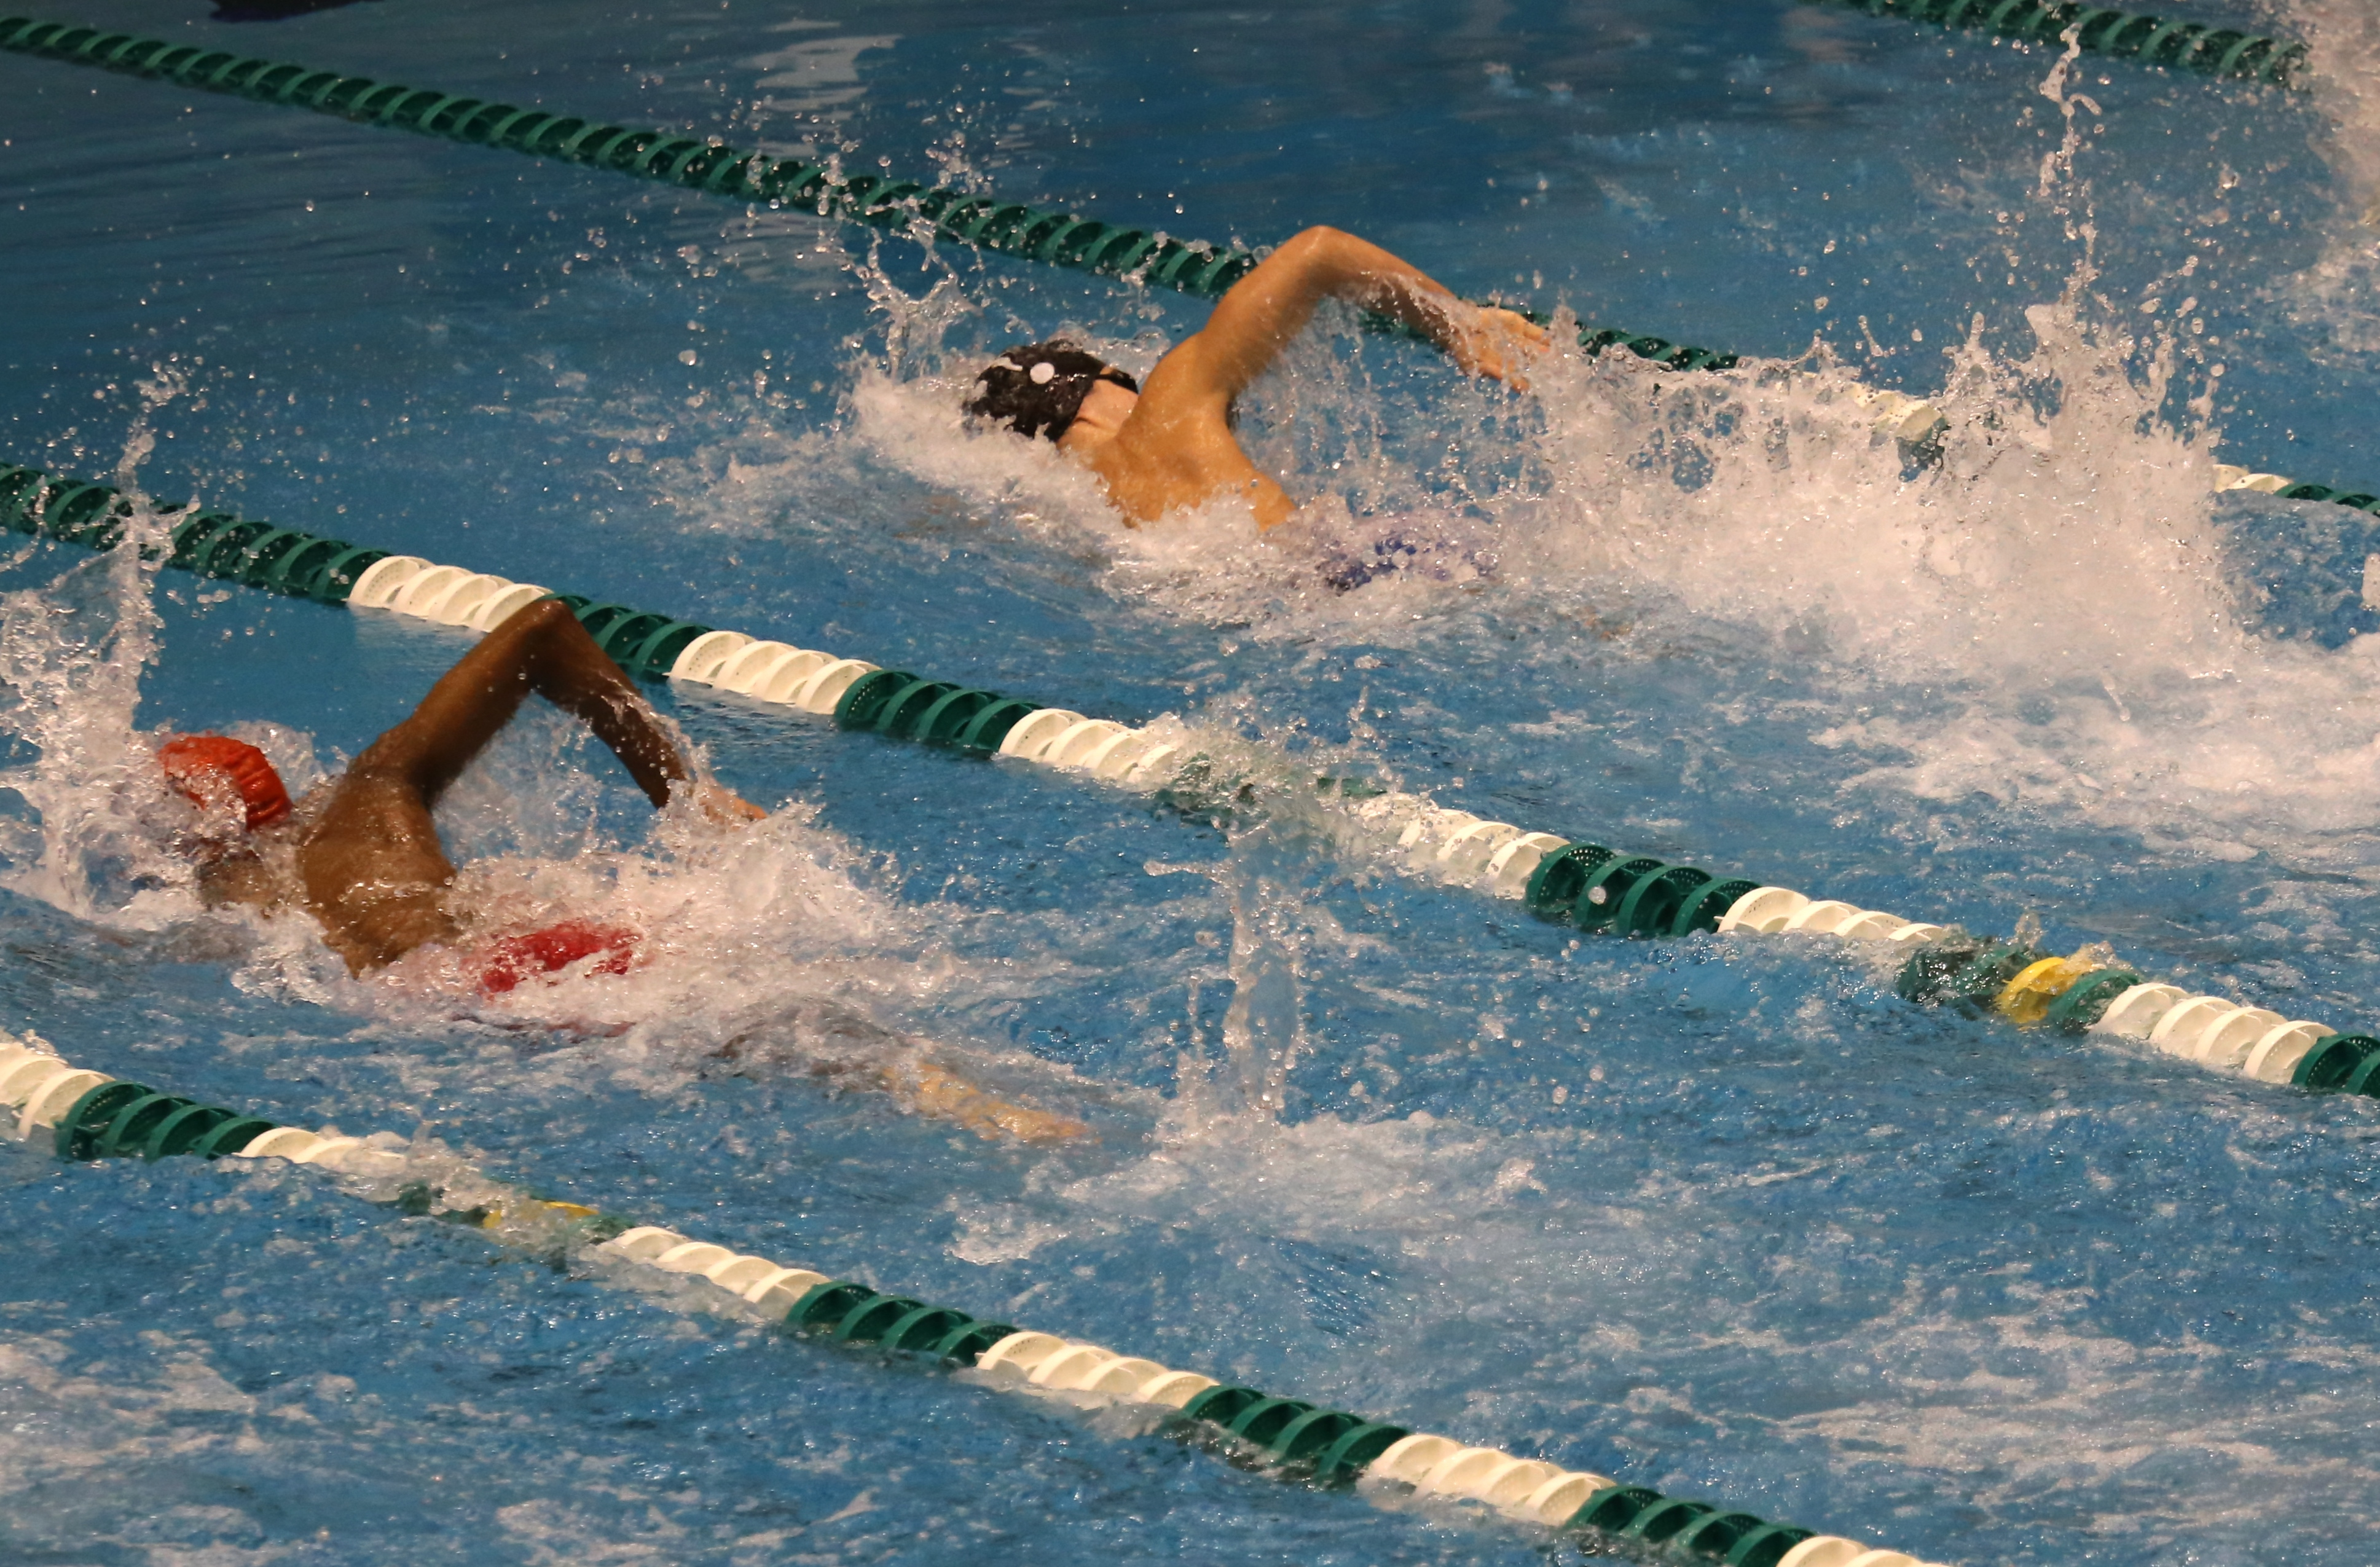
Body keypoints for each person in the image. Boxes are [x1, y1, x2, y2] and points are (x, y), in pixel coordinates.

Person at [159, 597, 1082, 1142]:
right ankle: (956, 1094)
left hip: (441, 1004)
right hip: (508, 963)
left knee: (736, 1023)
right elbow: (544, 625)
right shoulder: (367, 801)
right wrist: (688, 793)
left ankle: (951, 1095)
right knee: (756, 1008)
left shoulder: (220, 899)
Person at [964, 225, 1549, 532]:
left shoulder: (1084, 515)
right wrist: (1455, 325)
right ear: (1103, 386)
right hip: (1352, 574)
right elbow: (1318, 252)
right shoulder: (1165, 411)